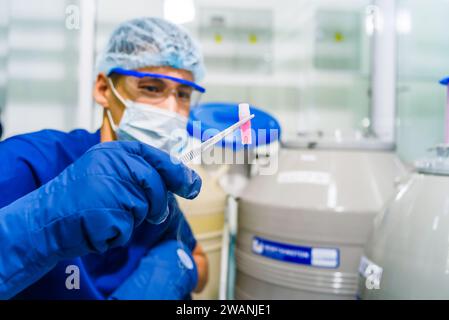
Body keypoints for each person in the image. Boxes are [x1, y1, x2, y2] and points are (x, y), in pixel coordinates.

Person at [0, 17, 209, 299]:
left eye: (183, 94)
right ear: (103, 89)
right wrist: (46, 222)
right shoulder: (29, 161)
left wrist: (174, 269)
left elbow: (198, 257)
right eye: (151, 87)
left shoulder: (153, 188)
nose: (171, 109)